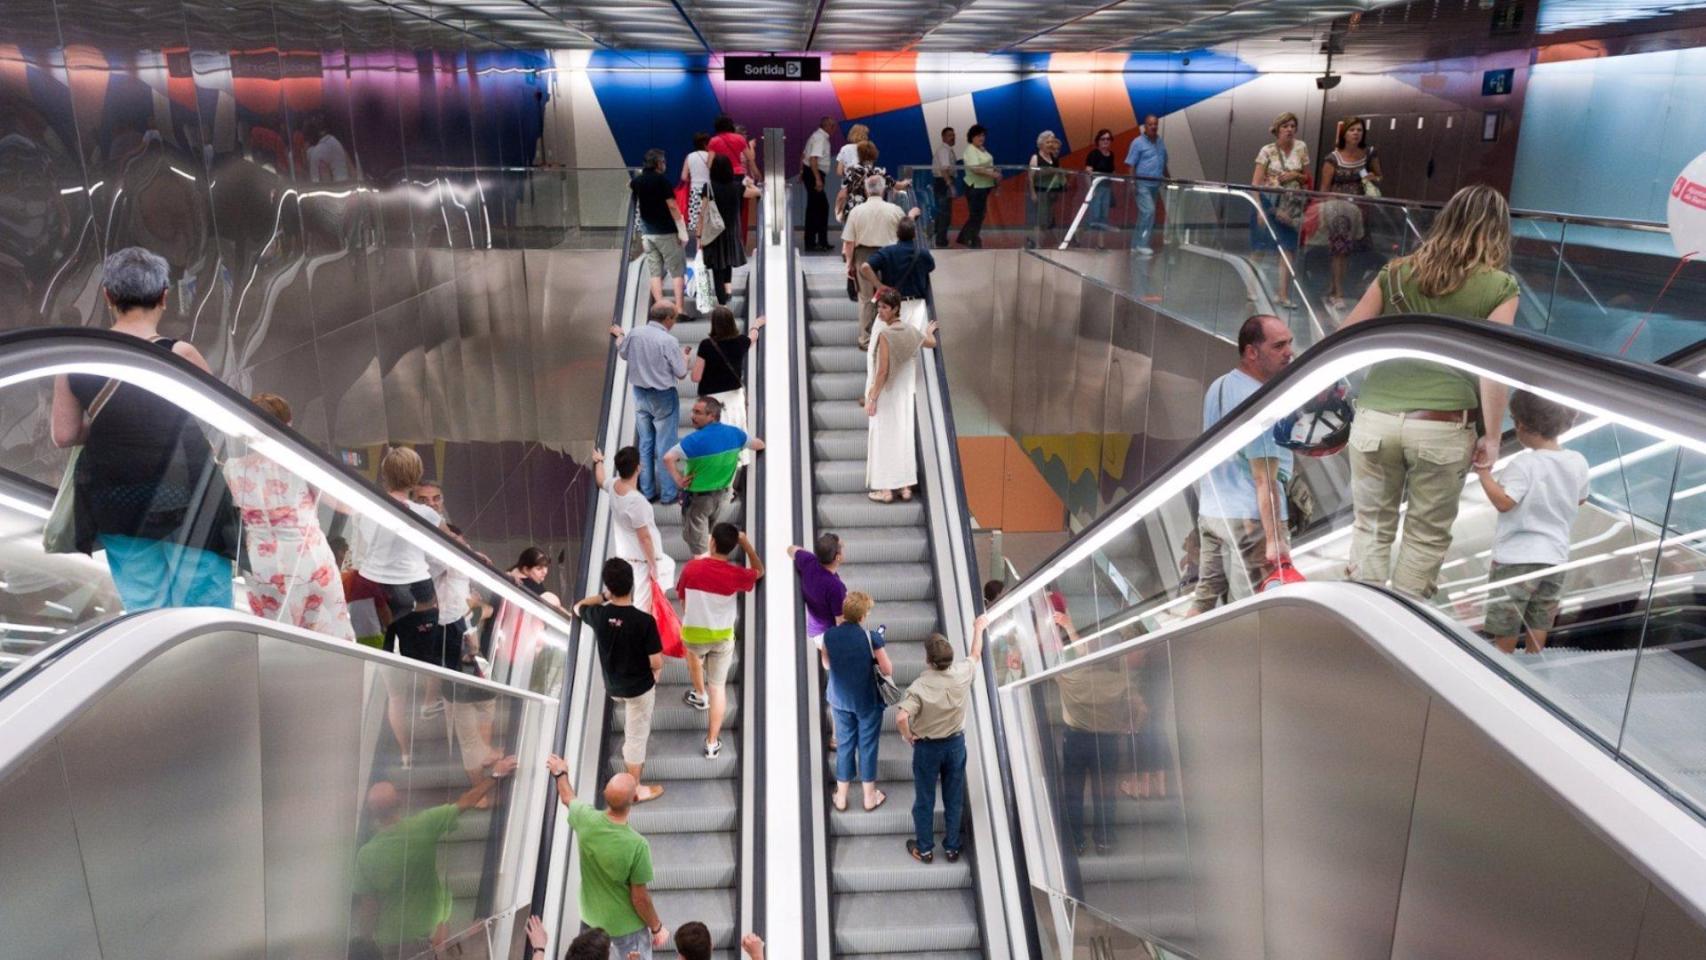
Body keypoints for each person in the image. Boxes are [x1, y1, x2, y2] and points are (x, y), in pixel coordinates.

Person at [1340, 184, 1519, 597]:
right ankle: (1400, 628)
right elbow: (1492, 368)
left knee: (1370, 526)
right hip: (1442, 426)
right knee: (1424, 536)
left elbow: (1347, 338)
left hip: (1375, 420)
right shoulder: (1499, 287)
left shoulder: (1397, 272)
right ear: (1496, 232)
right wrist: (1492, 437)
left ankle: (1361, 615)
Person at [50, 246, 240, 611]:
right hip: (186, 499)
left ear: (108, 296)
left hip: (117, 504)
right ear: (164, 297)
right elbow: (222, 418)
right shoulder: (180, 354)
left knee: (146, 607)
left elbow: (64, 435)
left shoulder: (76, 358)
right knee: (204, 610)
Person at [355, 757, 518, 956]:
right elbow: (466, 802)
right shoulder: (424, 825)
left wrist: (366, 939)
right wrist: (495, 775)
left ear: (372, 812)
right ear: (400, 802)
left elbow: (368, 907)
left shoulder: (366, 855)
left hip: (392, 941)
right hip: (429, 933)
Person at [224, 392, 354, 640]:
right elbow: (343, 505)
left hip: (262, 566)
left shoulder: (233, 468)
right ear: (288, 425)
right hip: (307, 560)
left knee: (274, 636)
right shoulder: (301, 463)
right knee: (327, 634)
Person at [1188, 315, 1296, 613]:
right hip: (1249, 521)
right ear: (1251, 352)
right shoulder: (1259, 404)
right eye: (1278, 346)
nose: (1289, 352)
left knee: (1205, 598)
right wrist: (1275, 541)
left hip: (1212, 512)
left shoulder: (1220, 386)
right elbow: (1265, 479)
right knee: (1251, 609)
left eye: (1289, 343)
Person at [1473, 391, 1589, 654]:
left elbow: (1504, 502)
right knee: (1540, 615)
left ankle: (1503, 662)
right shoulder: (1577, 461)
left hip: (1515, 557)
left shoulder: (1524, 463)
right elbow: (1580, 500)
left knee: (1507, 618)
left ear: (1523, 426)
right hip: (1555, 556)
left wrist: (1483, 475)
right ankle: (1534, 660)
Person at [544, 754, 668, 958]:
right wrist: (657, 927)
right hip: (626, 927)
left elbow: (567, 796)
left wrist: (561, 772)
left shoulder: (585, 818)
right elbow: (639, 898)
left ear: (604, 794)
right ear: (635, 799)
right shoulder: (637, 846)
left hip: (591, 919)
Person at [572, 558, 666, 804]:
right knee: (635, 737)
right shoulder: (644, 622)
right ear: (633, 584)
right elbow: (656, 662)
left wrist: (604, 597)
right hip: (639, 690)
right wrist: (655, 675)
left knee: (632, 729)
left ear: (609, 586)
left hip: (613, 687)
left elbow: (577, 606)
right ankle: (634, 789)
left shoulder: (599, 615)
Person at [896, 615, 986, 864]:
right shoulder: (963, 673)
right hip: (955, 745)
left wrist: (908, 736)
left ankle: (925, 849)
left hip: (928, 749)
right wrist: (978, 628)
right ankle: (952, 848)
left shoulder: (919, 686)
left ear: (928, 660)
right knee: (953, 797)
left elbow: (901, 717)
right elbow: (976, 653)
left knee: (925, 798)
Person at [356, 446, 451, 668]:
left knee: (373, 661)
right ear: (415, 477)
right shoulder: (427, 514)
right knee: (419, 664)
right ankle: (410, 702)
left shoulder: (365, 507)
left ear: (384, 474)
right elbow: (450, 547)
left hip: (372, 587)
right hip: (417, 590)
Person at [676, 522, 763, 758]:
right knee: (719, 688)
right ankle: (712, 743)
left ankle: (699, 694)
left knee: (693, 657)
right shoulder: (736, 575)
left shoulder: (691, 569)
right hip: (722, 637)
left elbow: (682, 598)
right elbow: (759, 571)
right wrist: (746, 545)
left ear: (711, 542)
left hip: (694, 634)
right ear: (732, 547)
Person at [612, 301, 692, 504]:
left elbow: (622, 352)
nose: (673, 322)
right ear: (667, 319)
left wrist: (620, 335)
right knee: (665, 446)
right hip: (663, 396)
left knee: (646, 443)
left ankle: (647, 491)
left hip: (639, 394)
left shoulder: (635, 333)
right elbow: (681, 373)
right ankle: (668, 494)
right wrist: (684, 358)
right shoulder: (668, 340)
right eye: (673, 318)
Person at [864, 290, 940, 503]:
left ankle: (886, 490)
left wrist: (872, 397)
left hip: (887, 395)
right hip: (905, 394)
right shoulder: (910, 331)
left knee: (884, 439)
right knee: (903, 437)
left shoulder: (885, 335)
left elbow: (883, 371)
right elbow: (930, 343)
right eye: (879, 307)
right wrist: (929, 331)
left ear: (895, 308)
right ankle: (905, 487)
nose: (880, 311)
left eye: (884, 307)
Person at [665, 395, 765, 556]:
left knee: (698, 546)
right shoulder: (735, 434)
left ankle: (705, 570)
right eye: (693, 412)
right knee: (710, 533)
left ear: (712, 416)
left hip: (699, 500)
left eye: (698, 413)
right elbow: (758, 444)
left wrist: (678, 479)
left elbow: (668, 458)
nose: (692, 416)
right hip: (723, 497)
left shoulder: (693, 440)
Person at [822, 591, 894, 812]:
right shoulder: (871, 637)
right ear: (862, 616)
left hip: (840, 700)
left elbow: (826, 664)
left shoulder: (829, 635)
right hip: (867, 701)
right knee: (868, 746)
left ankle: (841, 797)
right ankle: (869, 796)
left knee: (844, 745)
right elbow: (886, 669)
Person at [594, 445, 676, 619]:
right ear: (639, 468)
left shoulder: (615, 484)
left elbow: (601, 481)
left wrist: (599, 461)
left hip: (627, 555)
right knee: (642, 607)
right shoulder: (637, 502)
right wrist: (653, 566)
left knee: (668, 566)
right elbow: (644, 538)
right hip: (641, 561)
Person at [842, 175, 920, 350]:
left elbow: (848, 242)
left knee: (866, 298)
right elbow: (905, 229)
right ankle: (891, 336)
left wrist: (849, 264)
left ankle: (865, 339)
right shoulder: (894, 210)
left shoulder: (856, 211)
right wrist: (912, 215)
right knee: (890, 296)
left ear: (865, 190)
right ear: (884, 189)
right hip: (889, 255)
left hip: (863, 256)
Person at [1318, 117, 1382, 309]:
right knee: (1340, 251)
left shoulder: (1369, 154)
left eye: (1359, 130)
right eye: (1352, 130)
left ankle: (1336, 287)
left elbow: (1379, 176)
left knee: (1353, 251)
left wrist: (1373, 177)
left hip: (1361, 209)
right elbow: (1324, 188)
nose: (1356, 133)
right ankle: (1338, 292)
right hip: (1339, 212)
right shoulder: (1332, 158)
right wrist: (1327, 210)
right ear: (1344, 133)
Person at [692, 306, 764, 465]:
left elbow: (696, 377)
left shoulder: (706, 345)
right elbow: (753, 337)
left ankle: (713, 471)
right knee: (735, 433)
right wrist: (757, 324)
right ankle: (734, 472)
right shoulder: (739, 342)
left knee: (712, 437)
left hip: (710, 401)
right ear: (732, 322)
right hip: (733, 397)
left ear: (713, 324)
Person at [1251, 112, 1310, 306]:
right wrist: (1259, 208)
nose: (1289, 129)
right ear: (1277, 129)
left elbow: (1306, 177)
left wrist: (1295, 174)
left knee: (1288, 249)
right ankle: (1251, 288)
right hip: (1269, 202)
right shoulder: (1266, 151)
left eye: (1293, 126)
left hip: (1291, 205)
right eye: (1285, 126)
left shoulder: (1301, 148)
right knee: (1260, 247)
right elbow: (1256, 183)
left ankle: (1283, 294)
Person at [630, 148, 689, 308]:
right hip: (666, 232)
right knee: (677, 271)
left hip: (648, 234)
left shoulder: (638, 181)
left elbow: (630, 186)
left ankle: (660, 306)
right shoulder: (662, 181)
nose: (665, 164)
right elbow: (672, 206)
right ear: (657, 163)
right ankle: (679, 309)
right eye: (663, 161)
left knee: (655, 272)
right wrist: (682, 229)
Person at [701, 155, 761, 305]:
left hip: (714, 232)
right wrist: (749, 183)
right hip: (731, 231)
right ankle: (727, 291)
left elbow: (702, 213)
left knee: (717, 266)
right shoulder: (736, 187)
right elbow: (757, 192)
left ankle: (721, 300)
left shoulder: (708, 187)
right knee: (727, 261)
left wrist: (698, 235)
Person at [859, 217, 935, 333]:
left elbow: (865, 267)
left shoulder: (887, 252)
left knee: (887, 345)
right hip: (917, 306)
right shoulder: (923, 254)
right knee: (917, 345)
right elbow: (931, 267)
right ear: (914, 234)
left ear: (897, 234)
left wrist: (879, 285)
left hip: (892, 306)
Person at [790, 533, 846, 648]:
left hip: (815, 627)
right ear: (837, 557)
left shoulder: (809, 561)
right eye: (842, 548)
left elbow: (791, 549)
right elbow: (841, 623)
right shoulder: (835, 587)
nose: (844, 547)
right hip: (826, 634)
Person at [1124, 114, 1168, 255]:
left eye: (1155, 124)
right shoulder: (1137, 142)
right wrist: (1132, 182)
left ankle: (1135, 244)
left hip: (1155, 184)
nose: (1153, 127)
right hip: (1142, 183)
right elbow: (1131, 163)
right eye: (1150, 124)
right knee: (1149, 211)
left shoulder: (1160, 142)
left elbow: (1163, 161)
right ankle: (1141, 244)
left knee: (1145, 215)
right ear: (1145, 126)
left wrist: (1166, 178)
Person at [835, 139, 900, 223]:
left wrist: (838, 213)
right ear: (875, 154)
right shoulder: (879, 173)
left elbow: (842, 195)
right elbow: (897, 186)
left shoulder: (852, 171)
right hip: (873, 214)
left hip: (853, 214)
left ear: (859, 154)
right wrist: (906, 183)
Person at [956, 125, 997, 249]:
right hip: (975, 187)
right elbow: (975, 169)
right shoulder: (970, 150)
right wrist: (992, 173)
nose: (982, 138)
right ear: (972, 137)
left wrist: (993, 173)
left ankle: (971, 237)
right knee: (976, 215)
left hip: (984, 186)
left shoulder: (982, 149)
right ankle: (968, 238)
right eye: (979, 135)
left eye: (983, 135)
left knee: (980, 214)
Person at [801, 116, 835, 252]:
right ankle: (816, 242)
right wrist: (817, 179)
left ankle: (819, 241)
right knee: (820, 209)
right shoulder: (820, 138)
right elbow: (813, 158)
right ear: (827, 126)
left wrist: (801, 171)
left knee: (816, 208)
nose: (834, 130)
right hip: (815, 173)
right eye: (833, 127)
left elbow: (803, 155)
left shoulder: (815, 136)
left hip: (810, 173)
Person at [1028, 131, 1066, 245]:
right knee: (1041, 220)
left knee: (1049, 219)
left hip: (1052, 193)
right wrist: (1033, 193)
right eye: (1048, 142)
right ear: (1041, 143)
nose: (1050, 144)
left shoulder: (1053, 157)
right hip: (1041, 192)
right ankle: (1037, 244)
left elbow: (1058, 171)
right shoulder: (1035, 157)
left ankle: (1041, 242)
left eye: (1051, 142)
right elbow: (1030, 177)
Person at [680, 132, 713, 237]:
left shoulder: (689, 157)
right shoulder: (711, 156)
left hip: (694, 191)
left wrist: (692, 178)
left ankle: (696, 246)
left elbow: (683, 177)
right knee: (709, 218)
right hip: (709, 190)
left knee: (695, 218)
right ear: (705, 144)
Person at [1084, 128, 1116, 230]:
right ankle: (1078, 235)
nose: (1106, 141)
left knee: (1104, 216)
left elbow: (1112, 172)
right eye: (1103, 139)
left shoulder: (1111, 155)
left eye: (1108, 139)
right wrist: (1091, 189)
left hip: (1107, 188)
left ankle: (1100, 243)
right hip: (1096, 188)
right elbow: (1087, 173)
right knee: (1094, 215)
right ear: (1098, 141)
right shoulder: (1094, 154)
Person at [931, 127, 957, 247]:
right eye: (949, 135)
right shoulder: (944, 151)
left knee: (944, 212)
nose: (953, 137)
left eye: (953, 135)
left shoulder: (948, 150)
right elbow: (944, 169)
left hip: (943, 182)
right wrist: (950, 185)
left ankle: (938, 238)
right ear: (943, 137)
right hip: (943, 182)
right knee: (944, 213)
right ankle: (941, 241)